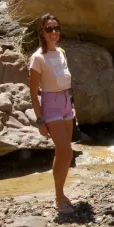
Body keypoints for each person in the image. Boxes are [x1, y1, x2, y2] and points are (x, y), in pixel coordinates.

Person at [28, 14, 77, 215]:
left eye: (56, 28)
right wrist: (40, 120)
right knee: (66, 151)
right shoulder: (37, 58)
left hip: (66, 103)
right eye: (49, 29)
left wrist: (73, 106)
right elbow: (33, 93)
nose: (53, 32)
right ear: (42, 32)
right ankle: (58, 197)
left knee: (63, 155)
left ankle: (62, 193)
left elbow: (67, 82)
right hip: (51, 105)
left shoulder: (62, 52)